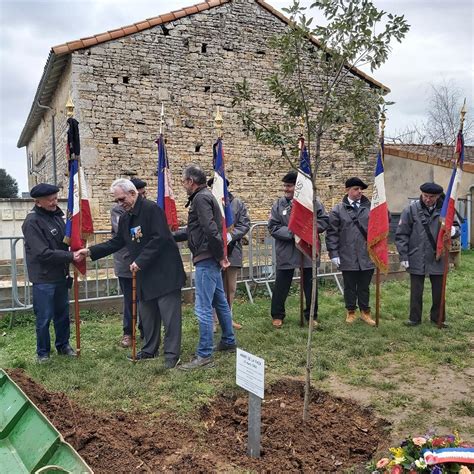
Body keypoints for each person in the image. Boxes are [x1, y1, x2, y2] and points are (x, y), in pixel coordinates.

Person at [77, 179, 186, 367]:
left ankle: (171, 354)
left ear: (133, 193)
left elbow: (160, 238)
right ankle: (149, 349)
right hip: (145, 274)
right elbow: (117, 241)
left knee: (170, 317)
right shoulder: (126, 217)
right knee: (148, 315)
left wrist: (140, 260)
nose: (120, 204)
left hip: (165, 272)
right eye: (117, 201)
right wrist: (91, 251)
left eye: (122, 199)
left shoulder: (152, 210)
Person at [174, 164, 236, 370]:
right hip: (210, 256)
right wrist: (171, 236)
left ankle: (204, 354)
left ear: (191, 182)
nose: (183, 185)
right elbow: (198, 229)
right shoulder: (205, 197)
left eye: (183, 181)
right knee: (220, 302)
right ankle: (228, 340)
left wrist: (220, 257)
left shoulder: (200, 198)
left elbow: (210, 229)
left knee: (203, 307)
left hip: (206, 258)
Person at [22, 183, 80, 363]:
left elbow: (64, 240)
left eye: (56, 198)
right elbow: (42, 253)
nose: (55, 202)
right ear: (38, 202)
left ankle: (63, 345)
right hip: (44, 278)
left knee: (62, 314)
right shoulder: (32, 222)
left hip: (60, 275)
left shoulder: (57, 216)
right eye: (51, 200)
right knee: (44, 317)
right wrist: (70, 256)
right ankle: (43, 353)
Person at [268, 171, 329, 328]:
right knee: (281, 285)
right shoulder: (279, 204)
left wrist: (306, 231)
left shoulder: (313, 202)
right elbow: (273, 227)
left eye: (289, 186)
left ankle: (311, 316)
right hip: (286, 250)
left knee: (310, 285)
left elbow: (323, 221)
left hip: (307, 248)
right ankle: (277, 315)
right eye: (285, 186)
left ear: (298, 187)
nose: (286, 189)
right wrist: (293, 232)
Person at [395, 182, 458, 328]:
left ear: (438, 196)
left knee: (439, 291)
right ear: (421, 194)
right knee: (416, 291)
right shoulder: (411, 210)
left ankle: (438, 318)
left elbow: (456, 228)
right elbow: (402, 234)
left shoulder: (446, 210)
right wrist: (403, 256)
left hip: (438, 255)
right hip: (417, 255)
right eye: (425, 196)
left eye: (432, 197)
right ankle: (414, 318)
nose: (428, 199)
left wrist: (454, 231)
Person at [326, 177, 377, 326]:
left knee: (364, 286)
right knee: (349, 286)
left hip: (366, 254)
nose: (359, 191)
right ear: (347, 190)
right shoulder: (338, 210)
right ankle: (351, 311)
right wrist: (334, 253)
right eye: (356, 189)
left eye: (361, 189)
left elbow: (381, 226)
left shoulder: (371, 207)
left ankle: (365, 312)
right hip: (347, 254)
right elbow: (332, 234)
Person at [207, 177, 250, 330]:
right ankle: (212, 320)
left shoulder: (237, 203)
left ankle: (227, 318)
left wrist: (232, 235)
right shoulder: (207, 204)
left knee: (230, 287)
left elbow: (245, 224)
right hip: (212, 251)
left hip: (233, 250)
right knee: (213, 287)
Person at [111, 178, 147, 348]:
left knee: (145, 298)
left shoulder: (146, 208)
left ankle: (145, 329)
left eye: (144, 193)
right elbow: (125, 233)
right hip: (126, 261)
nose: (143, 197)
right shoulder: (119, 211)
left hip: (143, 261)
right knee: (129, 300)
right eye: (141, 194)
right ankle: (128, 332)